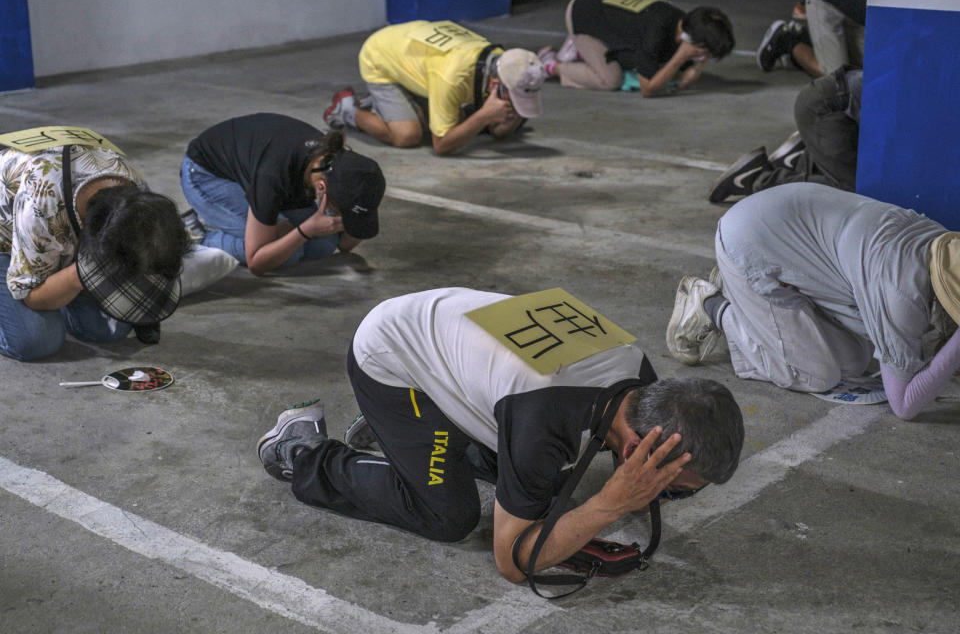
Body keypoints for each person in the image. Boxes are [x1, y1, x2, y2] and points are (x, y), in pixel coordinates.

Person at [258, 287, 744, 581]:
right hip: (390, 359)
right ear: (642, 445)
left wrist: (632, 491)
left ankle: (422, 434)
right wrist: (609, 504)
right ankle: (304, 450)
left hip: (447, 343)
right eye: (672, 490)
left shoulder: (641, 382)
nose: (662, 499)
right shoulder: (545, 418)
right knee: (447, 516)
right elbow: (513, 562)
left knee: (553, 485)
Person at [667, 183, 960, 421]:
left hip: (774, 227)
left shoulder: (941, 243)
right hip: (748, 245)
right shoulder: (900, 292)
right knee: (816, 375)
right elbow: (904, 405)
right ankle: (713, 304)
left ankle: (741, 291)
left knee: (856, 360)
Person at [0, 133, 190, 360]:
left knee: (107, 330)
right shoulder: (42, 202)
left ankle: (59, 280)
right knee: (36, 340)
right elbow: (31, 294)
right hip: (8, 241)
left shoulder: (136, 192)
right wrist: (77, 276)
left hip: (57, 240)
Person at [181, 113, 385, 275]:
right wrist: (306, 230)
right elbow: (257, 263)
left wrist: (358, 214)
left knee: (323, 245)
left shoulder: (332, 163)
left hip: (255, 169)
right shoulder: (273, 176)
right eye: (340, 210)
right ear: (321, 188)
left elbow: (343, 245)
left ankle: (239, 221)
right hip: (206, 174)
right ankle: (194, 232)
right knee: (288, 254)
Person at [323, 20, 545, 156]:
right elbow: (442, 146)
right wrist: (483, 117)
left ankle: (402, 104)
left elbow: (499, 132)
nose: (513, 104)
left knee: (454, 124)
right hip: (380, 55)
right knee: (408, 136)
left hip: (415, 54)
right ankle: (348, 110)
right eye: (512, 98)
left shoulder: (507, 66)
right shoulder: (452, 77)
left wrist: (513, 112)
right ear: (496, 84)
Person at [709, 67, 862, 203]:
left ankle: (804, 161)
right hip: (827, 108)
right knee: (853, 190)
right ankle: (758, 179)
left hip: (829, 98)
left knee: (866, 177)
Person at [536, 0, 734, 96]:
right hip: (583, 16)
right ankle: (551, 64)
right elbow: (648, 89)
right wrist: (680, 57)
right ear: (690, 39)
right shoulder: (657, 31)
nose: (701, 55)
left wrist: (699, 62)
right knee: (610, 79)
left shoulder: (686, 24)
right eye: (703, 50)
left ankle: (583, 52)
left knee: (662, 69)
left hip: (606, 14)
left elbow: (681, 82)